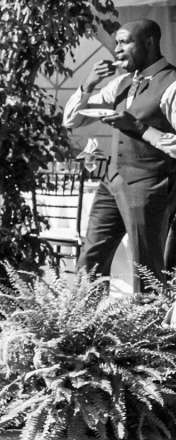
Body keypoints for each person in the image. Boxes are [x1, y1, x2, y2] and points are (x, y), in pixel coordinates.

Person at [65, 19, 176, 279]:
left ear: (149, 42)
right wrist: (88, 85)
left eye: (124, 42)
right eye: (115, 43)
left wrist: (138, 127)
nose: (116, 49)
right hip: (112, 182)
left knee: (145, 267)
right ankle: (81, 318)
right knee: (90, 260)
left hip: (150, 186)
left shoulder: (171, 84)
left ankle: (149, 319)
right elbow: (72, 120)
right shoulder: (122, 83)